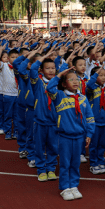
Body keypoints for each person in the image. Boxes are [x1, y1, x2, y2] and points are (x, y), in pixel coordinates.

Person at [47, 68, 95, 201]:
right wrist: (59, 75)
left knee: (75, 163)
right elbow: (50, 88)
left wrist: (89, 134)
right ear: (63, 84)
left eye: (77, 79)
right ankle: (64, 187)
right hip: (64, 137)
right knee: (65, 163)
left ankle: (74, 185)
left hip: (79, 137)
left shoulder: (83, 98)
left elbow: (90, 118)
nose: (75, 82)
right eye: (71, 79)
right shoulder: (59, 96)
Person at [30, 53, 59, 181]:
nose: (51, 70)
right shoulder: (37, 82)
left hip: (54, 122)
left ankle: (51, 168)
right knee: (39, 146)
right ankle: (41, 169)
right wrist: (45, 55)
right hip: (40, 120)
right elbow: (32, 69)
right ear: (41, 70)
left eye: (53, 68)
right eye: (47, 68)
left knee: (53, 146)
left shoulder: (58, 83)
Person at [85, 67, 105, 175]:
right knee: (93, 144)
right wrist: (95, 74)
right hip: (94, 121)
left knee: (102, 144)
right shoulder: (91, 89)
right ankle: (94, 164)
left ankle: (101, 162)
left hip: (104, 121)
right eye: (100, 75)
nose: (103, 77)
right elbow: (89, 84)